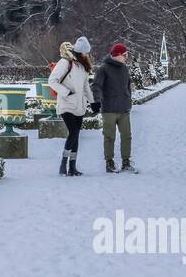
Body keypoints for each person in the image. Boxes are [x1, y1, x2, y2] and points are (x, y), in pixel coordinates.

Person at [47, 36, 95, 176]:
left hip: (79, 106)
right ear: (80, 52)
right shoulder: (65, 62)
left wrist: (93, 102)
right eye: (85, 52)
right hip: (66, 105)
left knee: (76, 135)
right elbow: (52, 81)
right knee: (73, 133)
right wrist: (66, 92)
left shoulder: (83, 66)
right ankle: (63, 164)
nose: (87, 55)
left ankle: (72, 167)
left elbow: (86, 86)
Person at [92, 43, 136, 173]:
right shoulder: (103, 69)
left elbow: (127, 86)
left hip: (124, 109)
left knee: (127, 136)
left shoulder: (124, 68)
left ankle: (126, 162)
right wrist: (97, 100)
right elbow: (96, 86)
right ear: (117, 55)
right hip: (109, 109)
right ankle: (109, 162)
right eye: (125, 55)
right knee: (109, 136)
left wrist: (128, 99)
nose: (126, 57)